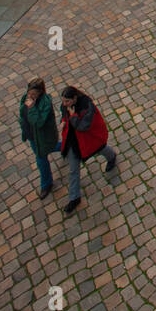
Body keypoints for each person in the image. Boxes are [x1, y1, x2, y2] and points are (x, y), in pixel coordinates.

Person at [59, 85, 117, 216]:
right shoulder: (67, 105)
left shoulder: (86, 105)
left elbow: (83, 126)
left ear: (74, 98)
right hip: (74, 141)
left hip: (89, 139)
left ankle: (112, 156)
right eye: (63, 101)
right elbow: (64, 113)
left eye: (67, 101)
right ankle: (74, 197)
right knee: (74, 170)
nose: (64, 104)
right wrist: (63, 120)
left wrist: (73, 116)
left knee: (101, 149)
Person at [19, 78, 60, 198]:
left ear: (40, 93)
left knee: (41, 159)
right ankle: (66, 146)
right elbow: (22, 112)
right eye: (29, 93)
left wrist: (31, 108)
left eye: (33, 94)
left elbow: (38, 122)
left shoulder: (45, 103)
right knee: (49, 150)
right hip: (33, 136)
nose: (30, 96)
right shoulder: (25, 98)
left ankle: (46, 184)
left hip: (43, 137)